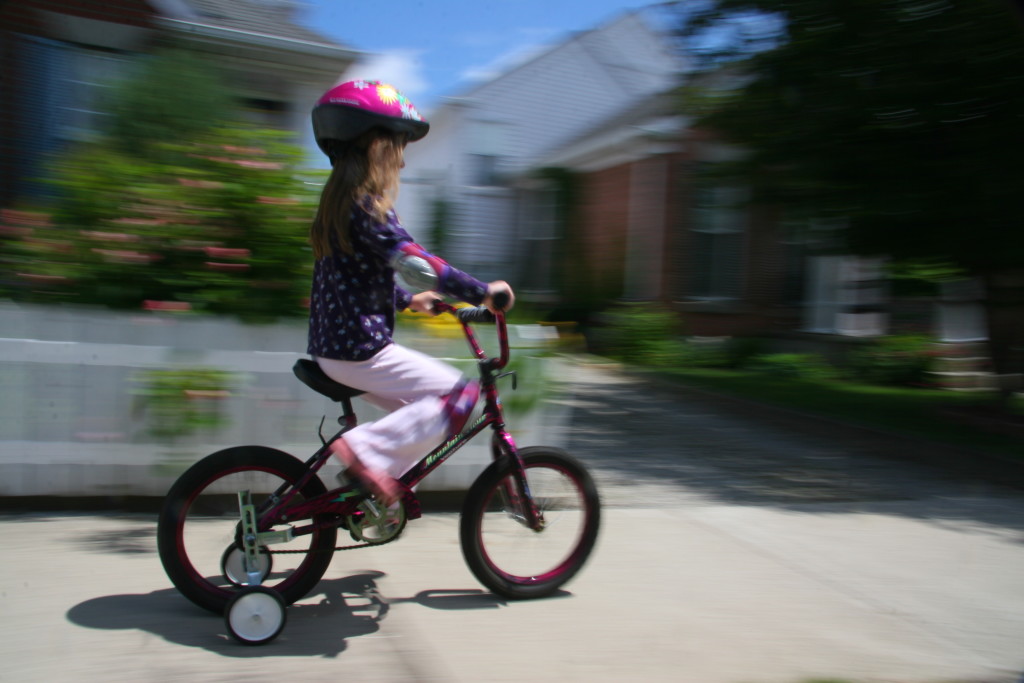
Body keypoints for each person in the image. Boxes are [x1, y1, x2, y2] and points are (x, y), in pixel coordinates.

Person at [307, 80, 514, 505]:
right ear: (378, 146)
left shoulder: (339, 206)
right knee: (461, 395)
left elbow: (354, 277)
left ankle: (371, 493)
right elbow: (416, 262)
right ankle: (365, 450)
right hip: (360, 350)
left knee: (420, 412)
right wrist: (482, 293)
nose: (401, 164)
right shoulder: (368, 206)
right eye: (399, 149)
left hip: (332, 349)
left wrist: (405, 300)